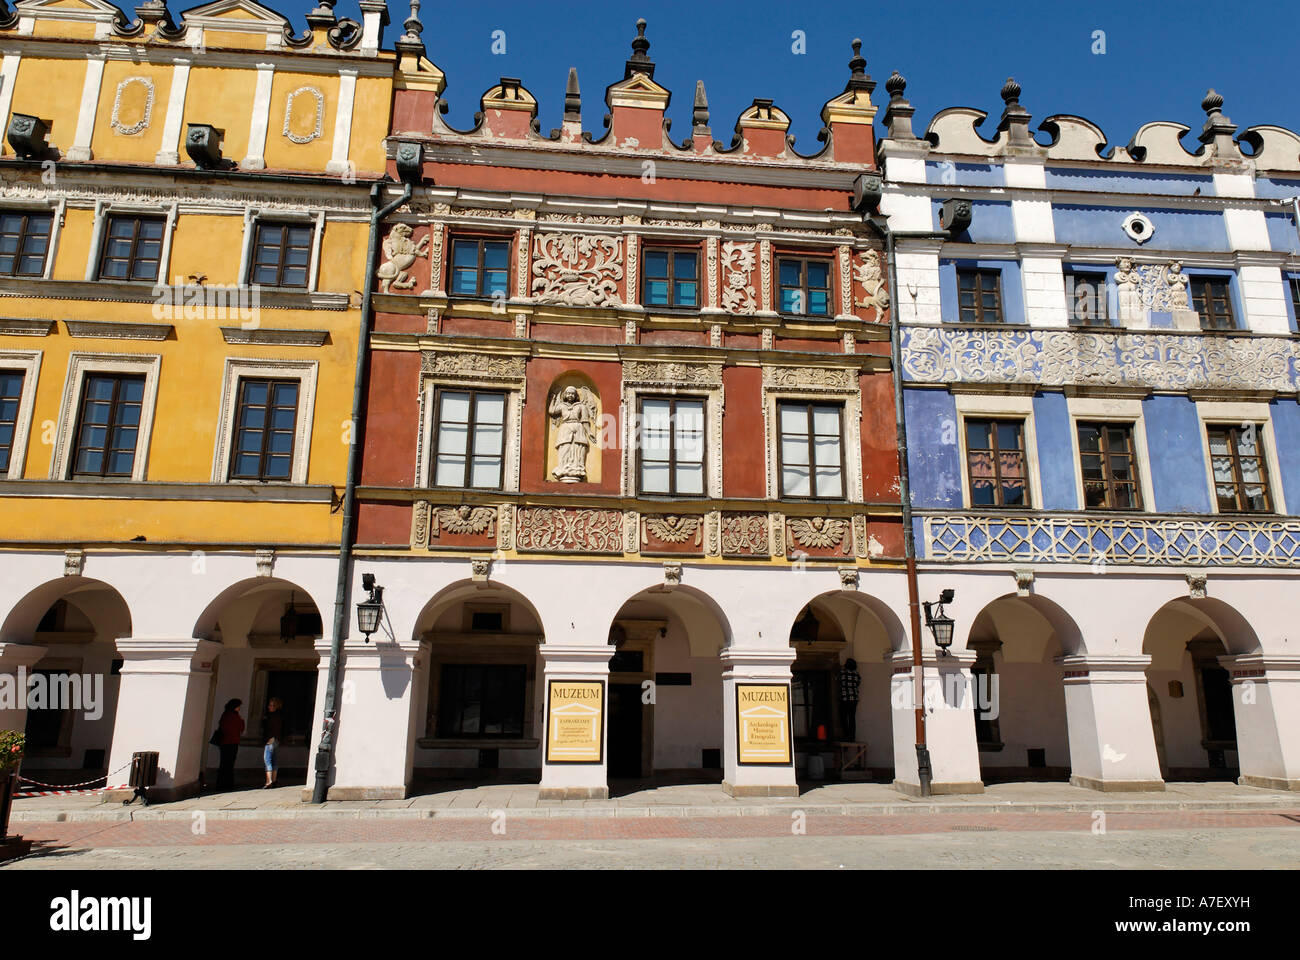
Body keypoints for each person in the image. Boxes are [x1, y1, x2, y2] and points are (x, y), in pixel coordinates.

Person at [215, 699, 244, 792]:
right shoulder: (235, 716)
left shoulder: (225, 714)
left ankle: (221, 784)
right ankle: (228, 784)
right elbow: (241, 728)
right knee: (229, 764)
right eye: (239, 706)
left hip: (224, 743)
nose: (239, 708)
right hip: (232, 742)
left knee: (224, 763)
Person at [263, 697, 284, 788]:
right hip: (277, 740)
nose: (269, 707)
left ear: (276, 706)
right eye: (269, 705)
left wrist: (269, 739)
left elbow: (270, 729)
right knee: (274, 760)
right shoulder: (280, 716)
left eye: (272, 705)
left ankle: (269, 781)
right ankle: (274, 780)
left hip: (271, 740)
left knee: (267, 760)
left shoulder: (272, 717)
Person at [839, 658, 861, 742]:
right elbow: (858, 682)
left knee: (843, 717)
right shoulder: (856, 674)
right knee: (852, 718)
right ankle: (852, 737)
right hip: (854, 699)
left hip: (845, 698)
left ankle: (846, 735)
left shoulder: (842, 673)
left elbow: (836, 679)